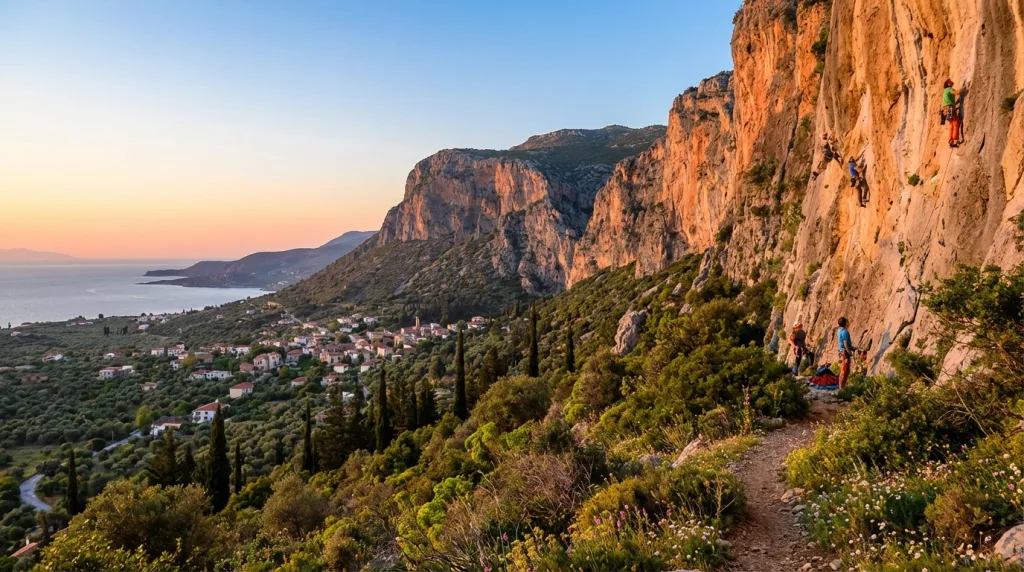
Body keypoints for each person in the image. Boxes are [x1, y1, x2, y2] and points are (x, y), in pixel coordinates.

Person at [836, 317, 857, 389]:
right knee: (844, 370)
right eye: (847, 321)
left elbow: (844, 343)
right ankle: (841, 387)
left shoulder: (839, 331)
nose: (848, 322)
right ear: (845, 323)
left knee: (846, 370)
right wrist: (850, 352)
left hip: (842, 352)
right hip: (845, 353)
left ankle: (842, 386)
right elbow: (845, 343)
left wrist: (853, 348)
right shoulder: (845, 332)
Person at [942, 79, 963, 148]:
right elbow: (956, 93)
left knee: (951, 124)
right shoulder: (949, 89)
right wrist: (964, 88)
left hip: (945, 109)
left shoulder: (945, 91)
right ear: (948, 83)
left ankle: (950, 142)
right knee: (956, 122)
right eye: (950, 81)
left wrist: (956, 103)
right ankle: (955, 139)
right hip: (949, 108)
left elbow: (948, 101)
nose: (951, 82)